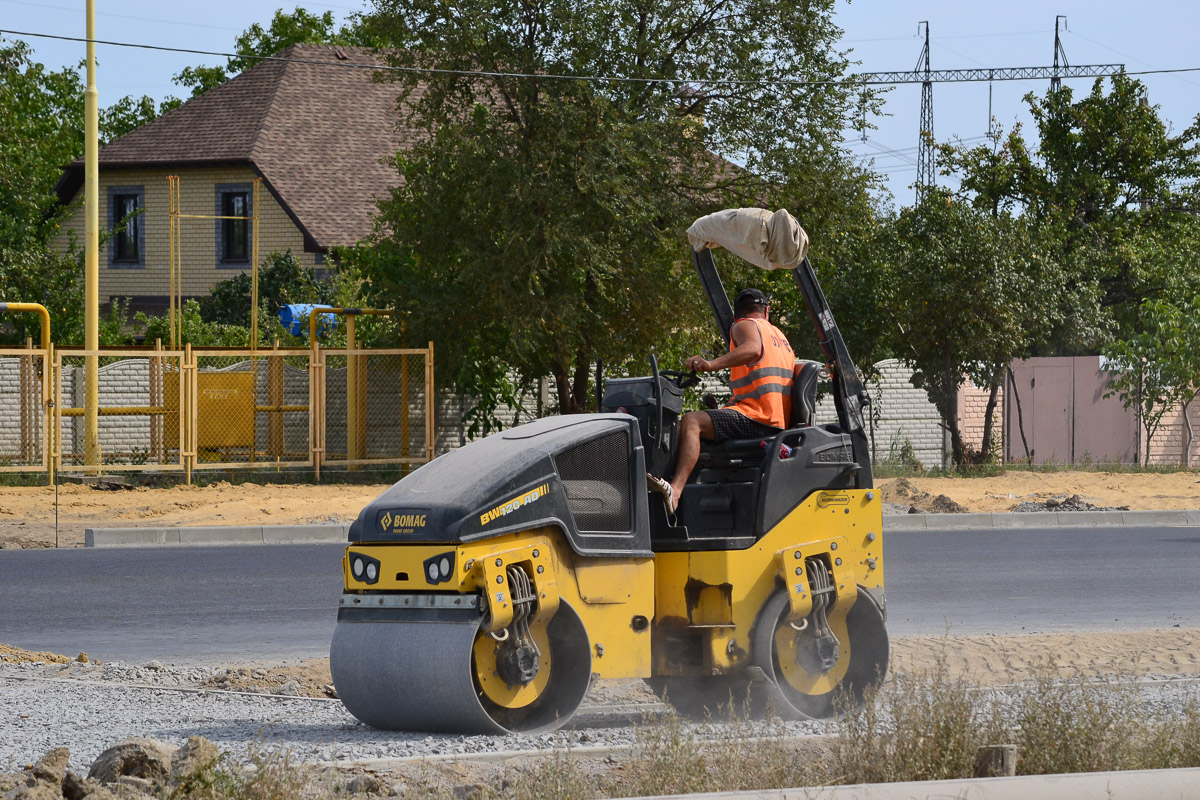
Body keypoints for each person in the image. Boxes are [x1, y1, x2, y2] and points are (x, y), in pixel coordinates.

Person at [649, 288, 795, 513]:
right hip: (771, 418)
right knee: (688, 430)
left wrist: (710, 364)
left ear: (737, 315)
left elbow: (753, 349)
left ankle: (675, 492)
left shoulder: (744, 325)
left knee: (691, 422)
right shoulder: (780, 337)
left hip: (757, 417)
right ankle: (686, 498)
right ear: (767, 311)